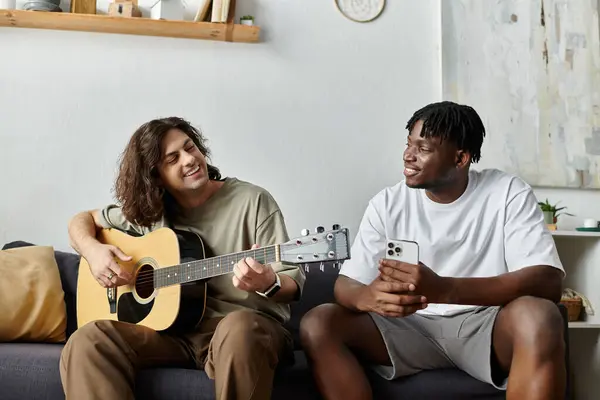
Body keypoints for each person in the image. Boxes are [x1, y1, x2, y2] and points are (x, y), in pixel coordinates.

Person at [300, 101, 566, 400]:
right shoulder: (387, 203)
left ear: (460, 158)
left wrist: (446, 289)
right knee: (318, 323)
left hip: (484, 326)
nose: (408, 156)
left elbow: (548, 281)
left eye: (423, 148)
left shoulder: (506, 192)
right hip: (405, 329)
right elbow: (346, 284)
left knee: (540, 316)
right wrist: (367, 297)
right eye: (408, 143)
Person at [61, 117, 305, 400]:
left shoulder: (253, 200)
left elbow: (291, 282)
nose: (189, 160)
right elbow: (82, 220)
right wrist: (93, 251)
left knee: (239, 328)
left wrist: (268, 281)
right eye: (172, 158)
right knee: (89, 340)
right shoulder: (150, 213)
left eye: (191, 148)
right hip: (171, 333)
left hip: (244, 331)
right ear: (155, 176)